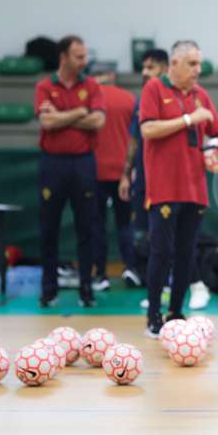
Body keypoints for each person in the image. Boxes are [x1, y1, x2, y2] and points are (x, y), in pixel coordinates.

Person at [139, 40, 218, 337]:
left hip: (194, 188)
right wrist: (188, 119)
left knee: (187, 254)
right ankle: (154, 314)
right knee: (161, 252)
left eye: (199, 64)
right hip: (164, 188)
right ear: (175, 64)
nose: (199, 70)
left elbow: (217, 130)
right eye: (193, 64)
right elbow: (148, 129)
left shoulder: (201, 95)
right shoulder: (154, 90)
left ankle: (176, 313)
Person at [34, 35, 105, 308]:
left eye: (85, 56)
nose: (84, 61)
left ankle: (86, 290)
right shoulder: (44, 86)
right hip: (52, 164)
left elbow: (98, 121)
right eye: (78, 56)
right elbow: (47, 122)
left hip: (83, 163)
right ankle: (49, 290)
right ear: (63, 57)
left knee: (86, 227)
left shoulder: (92, 85)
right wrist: (79, 111)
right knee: (48, 228)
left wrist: (62, 115)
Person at [119, 48, 168, 288]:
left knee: (165, 229)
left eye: (151, 67)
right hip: (143, 177)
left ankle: (165, 276)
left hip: (167, 178)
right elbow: (133, 140)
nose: (144, 72)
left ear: (165, 69)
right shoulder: (140, 100)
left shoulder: (174, 98)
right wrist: (126, 175)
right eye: (144, 68)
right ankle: (137, 270)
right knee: (139, 228)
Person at [90, 67, 136, 292]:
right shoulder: (130, 99)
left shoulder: (90, 100)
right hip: (122, 173)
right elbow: (136, 138)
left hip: (94, 172)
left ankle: (100, 274)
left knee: (96, 225)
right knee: (125, 223)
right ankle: (131, 268)